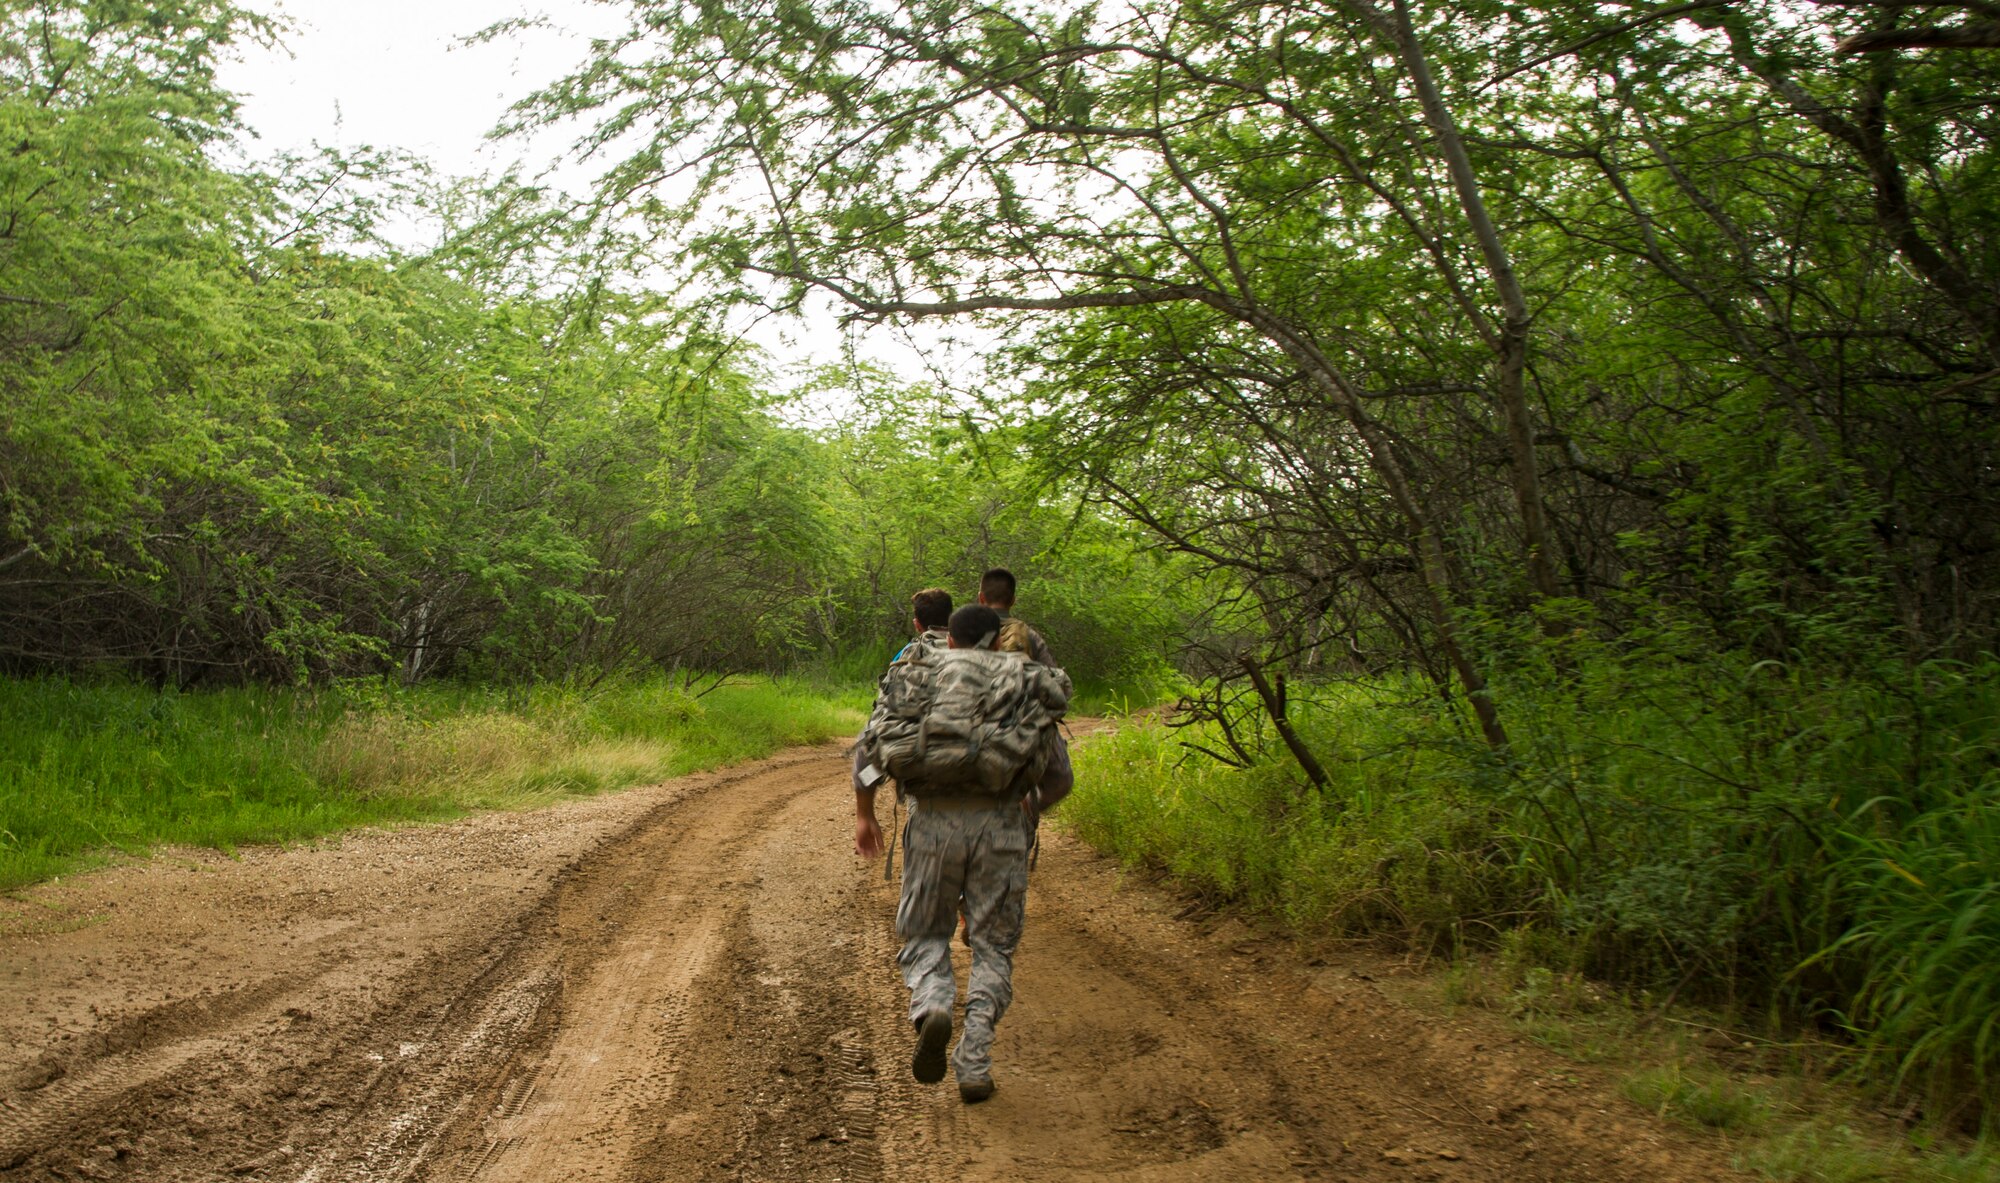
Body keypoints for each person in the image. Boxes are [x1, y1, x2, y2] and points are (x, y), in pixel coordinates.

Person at [852, 603, 1073, 1104]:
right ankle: (974, 1061)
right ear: (997, 643)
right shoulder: (1026, 680)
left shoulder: (916, 674)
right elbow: (1058, 773)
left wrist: (865, 811)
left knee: (926, 930)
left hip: (931, 821)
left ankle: (933, 1004)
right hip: (1001, 823)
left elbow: (870, 752)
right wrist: (1027, 804)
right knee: (994, 944)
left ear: (948, 640)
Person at [976, 567, 1057, 666]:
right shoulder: (1029, 635)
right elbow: (1053, 676)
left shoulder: (963, 632)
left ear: (981, 598)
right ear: (1013, 601)